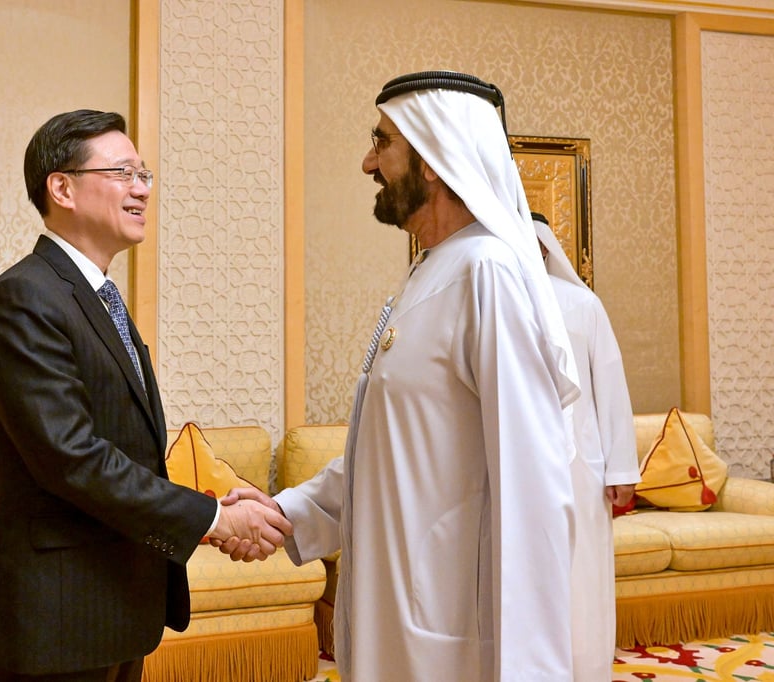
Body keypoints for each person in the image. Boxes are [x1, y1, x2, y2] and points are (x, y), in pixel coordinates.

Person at [217, 71, 580, 681]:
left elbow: (532, 488)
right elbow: (389, 455)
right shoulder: (431, 272)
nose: (368, 162)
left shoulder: (486, 273)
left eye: (382, 142)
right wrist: (287, 510)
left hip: (451, 630)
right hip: (395, 614)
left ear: (433, 160)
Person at [0, 109, 291, 682]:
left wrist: (214, 496)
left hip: (115, 607)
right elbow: (72, 459)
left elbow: (125, 448)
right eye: (123, 172)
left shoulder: (96, 297)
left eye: (144, 174)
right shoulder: (25, 298)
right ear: (62, 187)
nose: (142, 187)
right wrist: (213, 518)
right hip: (59, 620)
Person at [532, 212, 639, 681]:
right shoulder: (498, 301)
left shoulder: (583, 304)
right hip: (521, 467)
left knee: (584, 574)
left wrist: (620, 471)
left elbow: (611, 388)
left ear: (548, 249)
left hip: (582, 468)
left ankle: (586, 669)